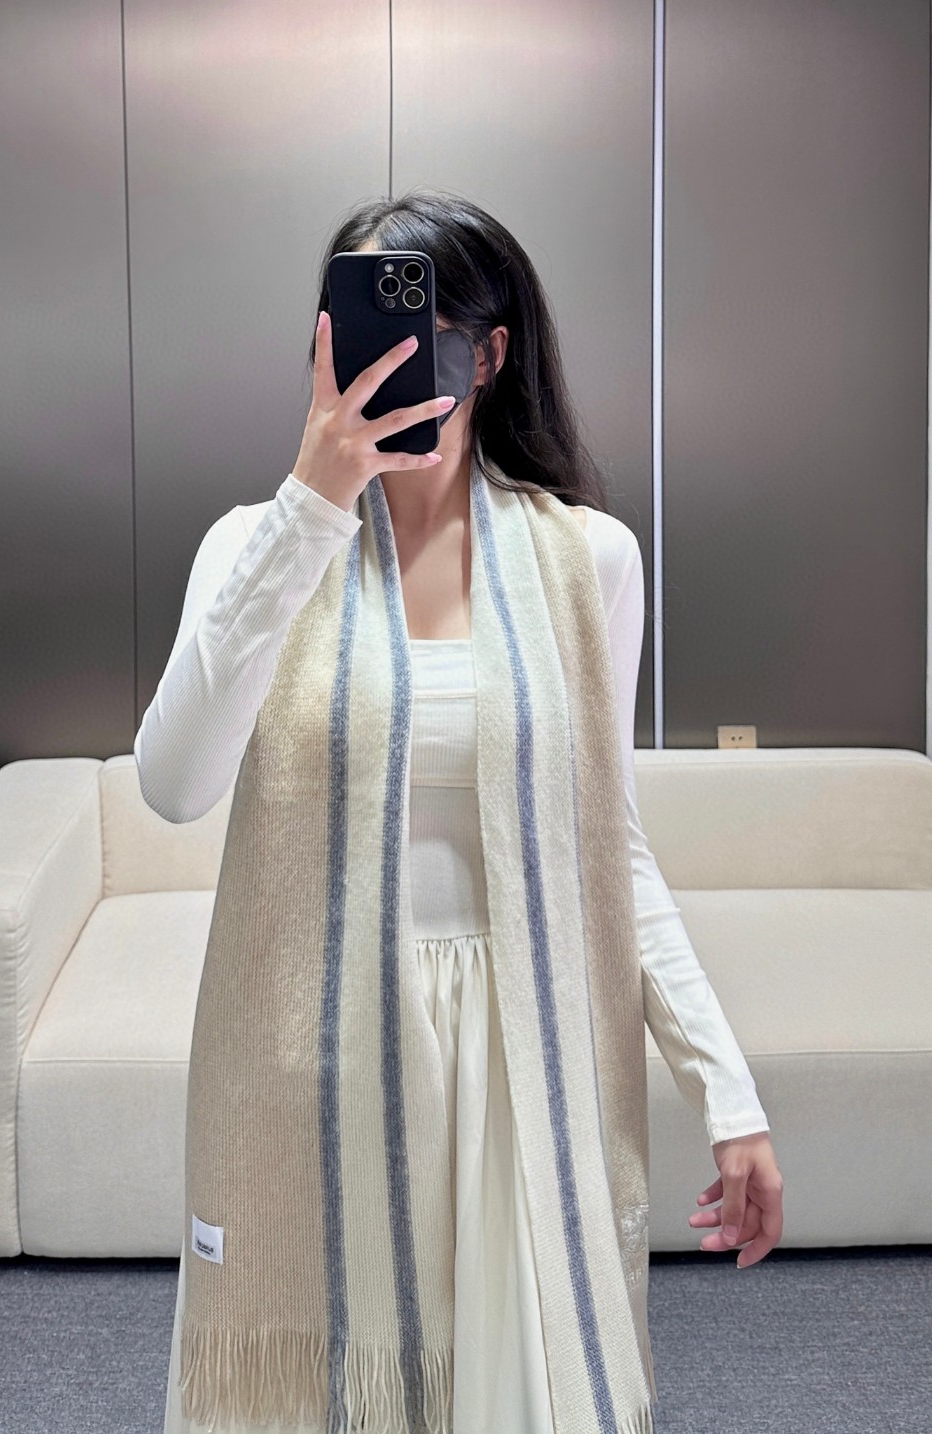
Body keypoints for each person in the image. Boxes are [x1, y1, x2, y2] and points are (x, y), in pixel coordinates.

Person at [137, 188, 784, 1434]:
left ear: (487, 356)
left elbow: (609, 849)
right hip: (323, 1048)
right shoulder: (254, 547)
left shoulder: (589, 561)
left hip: (525, 1049)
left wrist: (728, 1090)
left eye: (426, 334)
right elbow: (173, 785)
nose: (392, 364)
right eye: (360, 329)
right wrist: (313, 505)